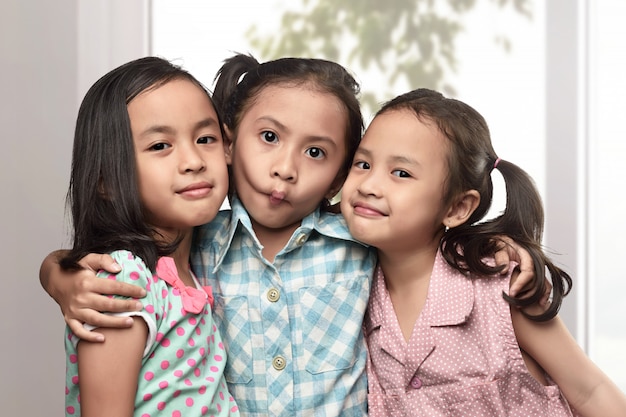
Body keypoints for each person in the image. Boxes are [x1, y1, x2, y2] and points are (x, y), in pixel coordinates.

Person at [41, 55, 540, 417]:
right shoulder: (202, 237)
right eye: (270, 138)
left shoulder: (358, 240)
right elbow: (118, 257)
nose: (284, 170)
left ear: (344, 172)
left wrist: (492, 246)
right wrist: (58, 273)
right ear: (233, 142)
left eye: (317, 154)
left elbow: (422, 235)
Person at [340, 87, 626, 416]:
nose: (368, 185)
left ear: (458, 206)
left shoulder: (501, 285)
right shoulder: (348, 287)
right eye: (362, 164)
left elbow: (589, 391)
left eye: (401, 173)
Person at [60, 56, 239, 416]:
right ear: (106, 181)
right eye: (160, 146)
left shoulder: (202, 257)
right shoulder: (124, 279)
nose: (193, 160)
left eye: (205, 138)